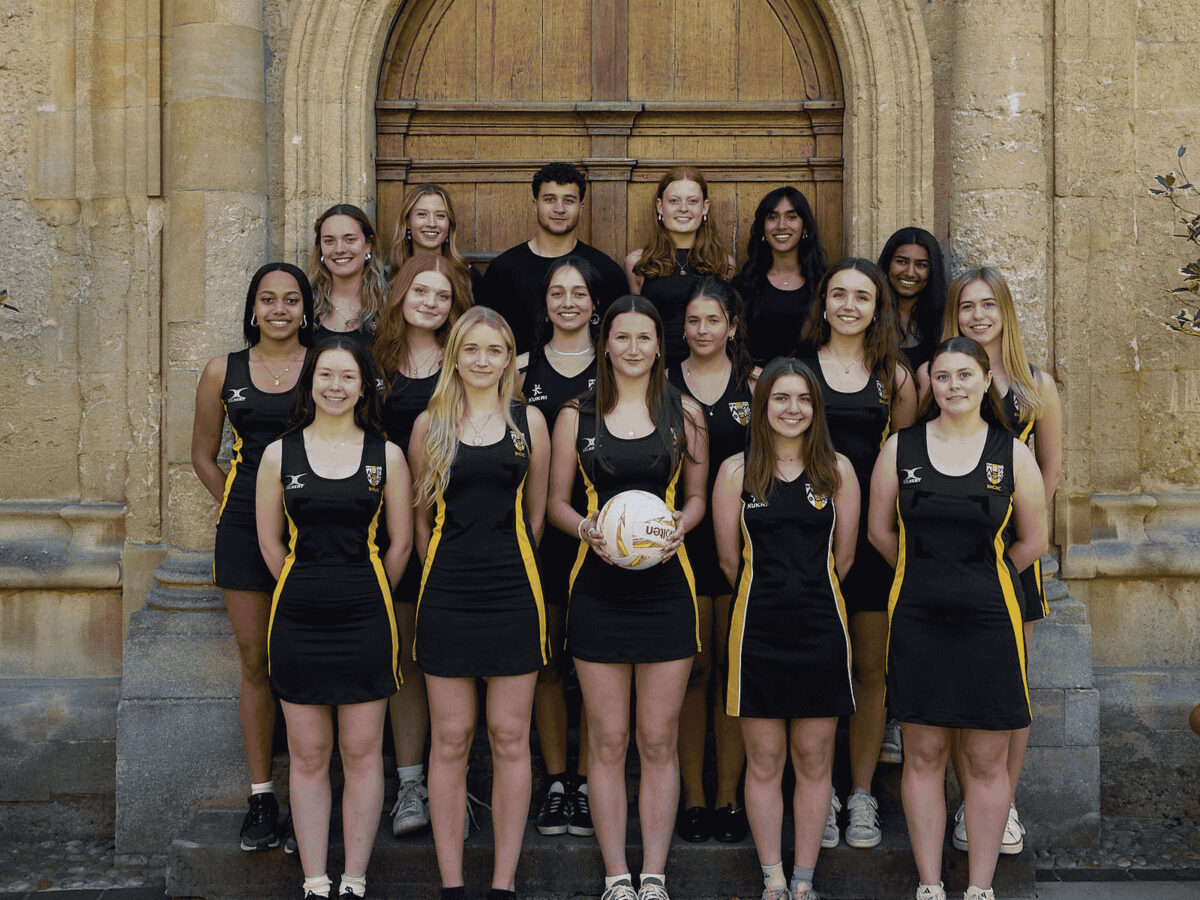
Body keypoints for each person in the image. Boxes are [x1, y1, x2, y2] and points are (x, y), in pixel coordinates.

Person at [868, 337, 1048, 900]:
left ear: (982, 381)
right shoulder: (900, 448)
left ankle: (979, 890)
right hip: (918, 620)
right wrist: (925, 572)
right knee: (922, 754)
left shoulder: (1012, 453)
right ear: (930, 387)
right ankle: (929, 886)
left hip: (992, 623)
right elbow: (879, 530)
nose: (953, 386)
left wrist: (981, 572)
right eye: (942, 377)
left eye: (964, 375)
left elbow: (1036, 539)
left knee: (987, 757)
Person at [548, 296, 708, 900]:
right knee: (608, 738)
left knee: (658, 737)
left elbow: (696, 496)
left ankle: (655, 876)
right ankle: (618, 874)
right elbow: (555, 502)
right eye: (622, 337)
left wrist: (679, 528)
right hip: (598, 588)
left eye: (645, 337)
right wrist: (588, 530)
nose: (634, 348)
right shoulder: (575, 416)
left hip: (667, 588)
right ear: (605, 343)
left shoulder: (684, 413)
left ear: (658, 346)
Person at [255, 339, 412, 900]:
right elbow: (271, 545)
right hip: (296, 621)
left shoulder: (386, 456)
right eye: (326, 375)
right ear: (311, 382)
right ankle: (316, 881)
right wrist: (307, 587)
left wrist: (364, 592)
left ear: (364, 386)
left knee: (364, 751)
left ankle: (354, 880)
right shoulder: (279, 454)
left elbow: (400, 545)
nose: (336, 385)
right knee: (307, 753)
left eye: (348, 376)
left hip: (367, 619)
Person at [409, 306, 551, 900]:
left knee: (510, 736)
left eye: (494, 350)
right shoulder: (428, 424)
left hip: (514, 591)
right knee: (450, 737)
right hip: (445, 593)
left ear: (509, 357)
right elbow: (419, 525)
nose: (483, 360)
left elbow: (537, 517)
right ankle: (451, 884)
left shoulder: (529, 423)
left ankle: (501, 883)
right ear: (454, 355)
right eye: (472, 349)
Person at [920, 267, 1062, 857]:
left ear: (1005, 310)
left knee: (1009, 686)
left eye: (988, 305)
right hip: (948, 556)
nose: (978, 315)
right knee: (955, 685)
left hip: (1010, 555)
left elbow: (1049, 471)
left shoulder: (1035, 386)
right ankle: (964, 798)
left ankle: (1000, 805)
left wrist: (1020, 533)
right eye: (966, 306)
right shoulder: (946, 376)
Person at [712, 357, 860, 900]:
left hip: (821, 629)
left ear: (816, 408)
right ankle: (772, 878)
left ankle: (804, 881)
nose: (792, 409)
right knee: (765, 759)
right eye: (780, 398)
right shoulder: (735, 472)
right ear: (762, 406)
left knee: (814, 759)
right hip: (757, 632)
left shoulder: (838, 471)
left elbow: (843, 560)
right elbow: (730, 563)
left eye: (803, 399)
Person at [191, 262, 314, 852]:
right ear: (252, 308)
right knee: (255, 660)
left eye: (291, 300)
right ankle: (262, 797)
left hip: (318, 526)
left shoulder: (324, 366)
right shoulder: (223, 370)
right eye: (268, 299)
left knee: (306, 662)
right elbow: (202, 455)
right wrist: (242, 509)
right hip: (243, 527)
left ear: (305, 309)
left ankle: (307, 800)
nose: (280, 309)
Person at [797, 258, 918, 850]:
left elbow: (906, 465)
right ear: (823, 303)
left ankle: (862, 793)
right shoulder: (796, 372)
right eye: (838, 294)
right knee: (816, 665)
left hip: (870, 540)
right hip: (806, 542)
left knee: (870, 669)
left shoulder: (893, 377)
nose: (848, 305)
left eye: (862, 297)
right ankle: (815, 793)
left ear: (877, 309)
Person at [371, 252, 472, 837]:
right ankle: (411, 785)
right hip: (384, 526)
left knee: (451, 660)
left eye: (442, 295)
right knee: (406, 657)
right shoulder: (375, 363)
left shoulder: (466, 364)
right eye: (420, 293)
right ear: (401, 296)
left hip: (452, 530)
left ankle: (453, 784)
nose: (431, 304)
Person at [665, 278, 757, 844]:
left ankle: (729, 798)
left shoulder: (756, 383)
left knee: (733, 671)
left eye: (712, 321)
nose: (702, 331)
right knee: (693, 672)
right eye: (693, 322)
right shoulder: (665, 383)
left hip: (749, 539)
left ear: (731, 326)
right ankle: (693, 799)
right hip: (685, 539)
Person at [514, 257, 601, 841]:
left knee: (597, 666)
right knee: (546, 663)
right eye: (557, 291)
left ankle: (592, 784)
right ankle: (555, 783)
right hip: (537, 535)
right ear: (544, 301)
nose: (568, 301)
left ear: (596, 303)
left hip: (604, 542)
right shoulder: (520, 369)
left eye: (579, 292)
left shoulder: (621, 363)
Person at [477, 162, 628, 354]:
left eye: (569, 200)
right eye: (549, 199)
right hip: (517, 380)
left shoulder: (606, 271)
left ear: (580, 207)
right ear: (535, 204)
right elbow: (484, 334)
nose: (559, 209)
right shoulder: (503, 270)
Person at [626, 166, 734, 368]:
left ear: (705, 207)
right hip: (656, 373)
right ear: (660, 206)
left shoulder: (723, 264)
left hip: (709, 372)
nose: (683, 208)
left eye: (692, 201)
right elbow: (636, 326)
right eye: (674, 201)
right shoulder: (638, 263)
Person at [733, 186, 829, 365]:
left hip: (812, 387)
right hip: (755, 385)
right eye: (772, 217)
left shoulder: (825, 285)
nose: (781, 225)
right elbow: (733, 348)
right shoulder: (743, 286)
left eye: (791, 217)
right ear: (763, 228)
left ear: (805, 227)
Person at [307, 204, 391, 350]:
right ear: (320, 249)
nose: (339, 249)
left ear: (368, 245)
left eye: (350, 239)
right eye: (329, 241)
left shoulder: (391, 301)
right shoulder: (305, 303)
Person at [386, 183, 483, 300]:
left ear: (449, 224)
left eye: (440, 216)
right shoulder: (388, 276)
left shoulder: (467, 276)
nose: (431, 223)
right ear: (407, 222)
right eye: (422, 214)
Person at [876, 227, 948, 374]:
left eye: (921, 265)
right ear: (888, 263)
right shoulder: (871, 315)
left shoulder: (944, 321)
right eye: (902, 262)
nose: (910, 273)